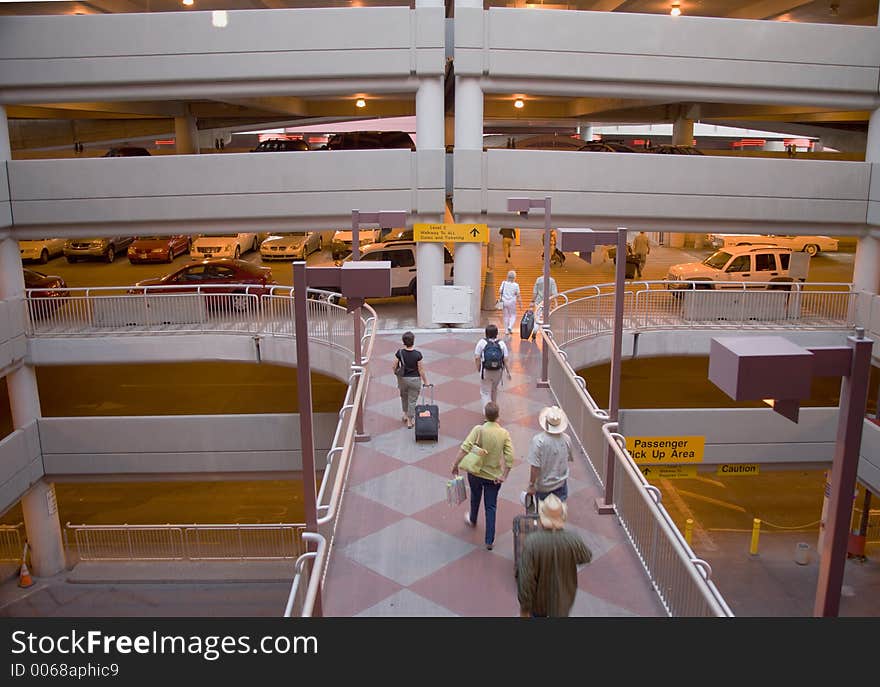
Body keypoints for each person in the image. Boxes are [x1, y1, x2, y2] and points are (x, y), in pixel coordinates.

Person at [517, 493, 592, 617]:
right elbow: (586, 556)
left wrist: (524, 607)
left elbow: (526, 579)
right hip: (563, 600)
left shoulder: (532, 542)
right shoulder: (572, 540)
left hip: (538, 603)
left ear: (542, 517)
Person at [452, 401, 514, 550]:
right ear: (498, 416)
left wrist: (455, 465)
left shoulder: (478, 430)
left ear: (485, 415)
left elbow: (465, 448)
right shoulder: (504, 434)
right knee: (491, 506)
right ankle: (489, 540)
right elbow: (510, 457)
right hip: (494, 477)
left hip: (475, 472)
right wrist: (504, 475)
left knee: (475, 496)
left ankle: (473, 518)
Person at [526, 405, 574, 502]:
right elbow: (568, 458)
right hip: (561, 484)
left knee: (543, 513)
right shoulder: (566, 439)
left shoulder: (538, 441)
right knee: (559, 513)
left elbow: (535, 467)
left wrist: (531, 485)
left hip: (543, 486)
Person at [393, 330, 428, 429]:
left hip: (402, 379)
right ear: (413, 341)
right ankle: (410, 420)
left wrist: (396, 374)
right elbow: (421, 370)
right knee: (412, 400)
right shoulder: (418, 354)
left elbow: (394, 365)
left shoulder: (399, 353)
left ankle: (405, 414)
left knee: (404, 397)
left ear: (403, 341)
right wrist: (425, 381)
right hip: (415, 380)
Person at [474, 323, 509, 410]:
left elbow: (477, 357)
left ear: (486, 333)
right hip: (498, 371)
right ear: (497, 333)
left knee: (485, 392)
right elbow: (506, 359)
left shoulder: (482, 342)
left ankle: (488, 414)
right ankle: (494, 413)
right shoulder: (501, 343)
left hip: (486, 370)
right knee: (494, 390)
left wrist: (478, 368)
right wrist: (507, 371)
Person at [498, 270, 522, 336]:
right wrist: (520, 304)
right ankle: (510, 327)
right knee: (513, 315)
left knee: (505, 316)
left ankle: (506, 330)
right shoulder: (516, 285)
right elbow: (518, 295)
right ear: (514, 277)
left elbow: (500, 291)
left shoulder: (503, 283)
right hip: (512, 302)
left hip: (504, 301)